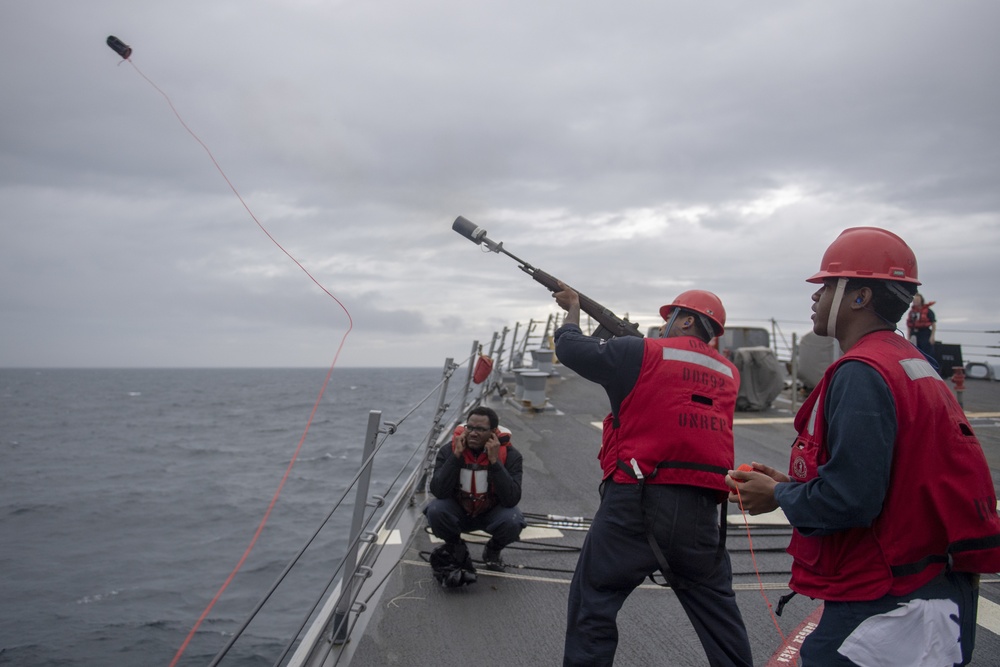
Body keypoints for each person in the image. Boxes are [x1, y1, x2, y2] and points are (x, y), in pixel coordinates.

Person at [727, 227, 1000, 666]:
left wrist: (777, 495)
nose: (814, 298)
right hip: (929, 590)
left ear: (859, 298)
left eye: (826, 286)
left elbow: (851, 500)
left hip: (889, 603)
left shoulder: (862, 372)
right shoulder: (909, 362)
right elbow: (892, 472)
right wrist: (793, 484)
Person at [552, 283, 753, 667]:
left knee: (592, 604)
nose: (662, 328)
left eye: (670, 319)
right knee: (718, 617)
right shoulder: (728, 372)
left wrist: (573, 310)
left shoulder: (639, 353)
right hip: (701, 513)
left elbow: (569, 348)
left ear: (688, 320)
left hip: (634, 503)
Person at [424, 406, 525, 578]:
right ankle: (456, 547)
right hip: (459, 511)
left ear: (493, 432)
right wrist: (456, 457)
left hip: (490, 513)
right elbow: (439, 491)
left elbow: (511, 499)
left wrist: (495, 462)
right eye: (470, 427)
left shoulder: (511, 455)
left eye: (480, 429)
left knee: (513, 520)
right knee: (435, 510)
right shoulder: (448, 451)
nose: (473, 433)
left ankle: (493, 550)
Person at [907, 292, 937, 356]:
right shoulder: (912, 312)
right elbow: (909, 325)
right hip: (914, 334)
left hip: (924, 333)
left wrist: (932, 336)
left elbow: (933, 324)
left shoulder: (928, 311)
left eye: (917, 300)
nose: (916, 302)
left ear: (921, 300)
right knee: (915, 351)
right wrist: (908, 337)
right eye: (915, 300)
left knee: (926, 352)